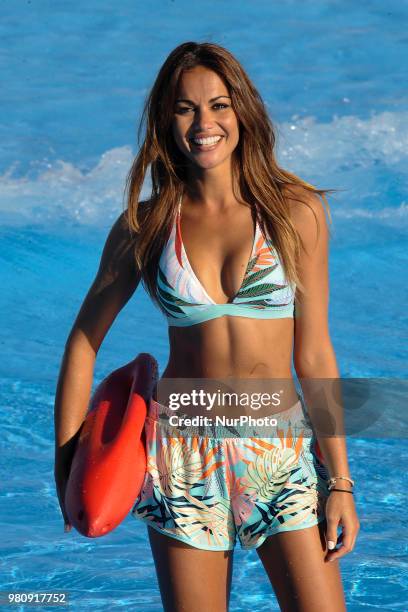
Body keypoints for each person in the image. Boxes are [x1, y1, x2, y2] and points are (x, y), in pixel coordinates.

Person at [54, 41, 360, 611]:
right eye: (184, 108)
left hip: (279, 448)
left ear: (242, 111)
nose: (204, 124)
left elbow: (314, 355)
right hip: (182, 453)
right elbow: (82, 342)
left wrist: (339, 482)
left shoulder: (296, 211)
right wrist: (68, 461)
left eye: (219, 105)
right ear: (165, 121)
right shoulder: (145, 226)